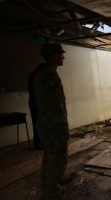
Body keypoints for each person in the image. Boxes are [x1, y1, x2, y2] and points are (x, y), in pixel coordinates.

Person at [32, 43, 69, 200]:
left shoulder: (45, 73)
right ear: (52, 55)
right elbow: (55, 107)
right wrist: (63, 129)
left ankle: (49, 191)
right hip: (53, 127)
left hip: (48, 126)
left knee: (49, 159)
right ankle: (52, 194)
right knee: (58, 161)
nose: (62, 57)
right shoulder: (47, 75)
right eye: (60, 54)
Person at [28, 66, 43, 149]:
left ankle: (37, 143)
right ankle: (38, 144)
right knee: (38, 123)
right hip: (37, 101)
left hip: (33, 101)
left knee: (36, 123)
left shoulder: (31, 75)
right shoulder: (38, 76)